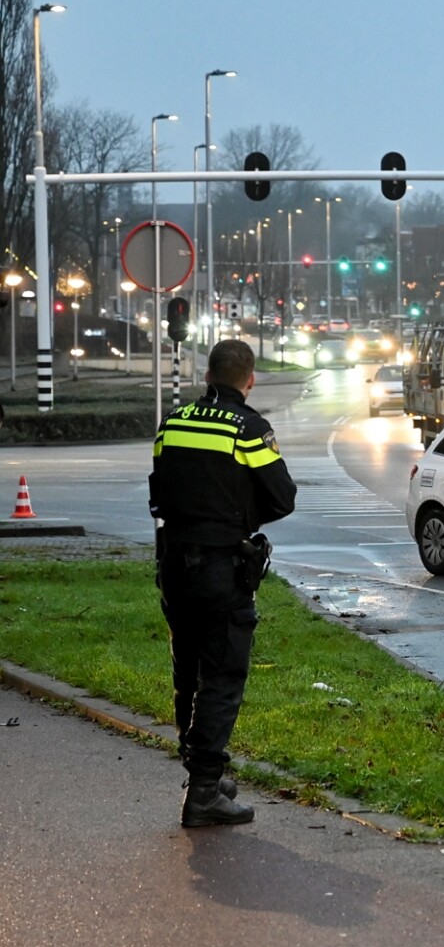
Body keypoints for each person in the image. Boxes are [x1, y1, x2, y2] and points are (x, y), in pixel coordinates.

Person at [149, 339, 297, 827]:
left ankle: (200, 775)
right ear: (249, 379)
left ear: (207, 374)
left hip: (173, 562)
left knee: (186, 672)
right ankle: (205, 791)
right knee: (223, 676)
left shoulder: (173, 423)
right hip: (220, 569)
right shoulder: (249, 429)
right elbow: (282, 498)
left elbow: (159, 487)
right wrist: (237, 515)